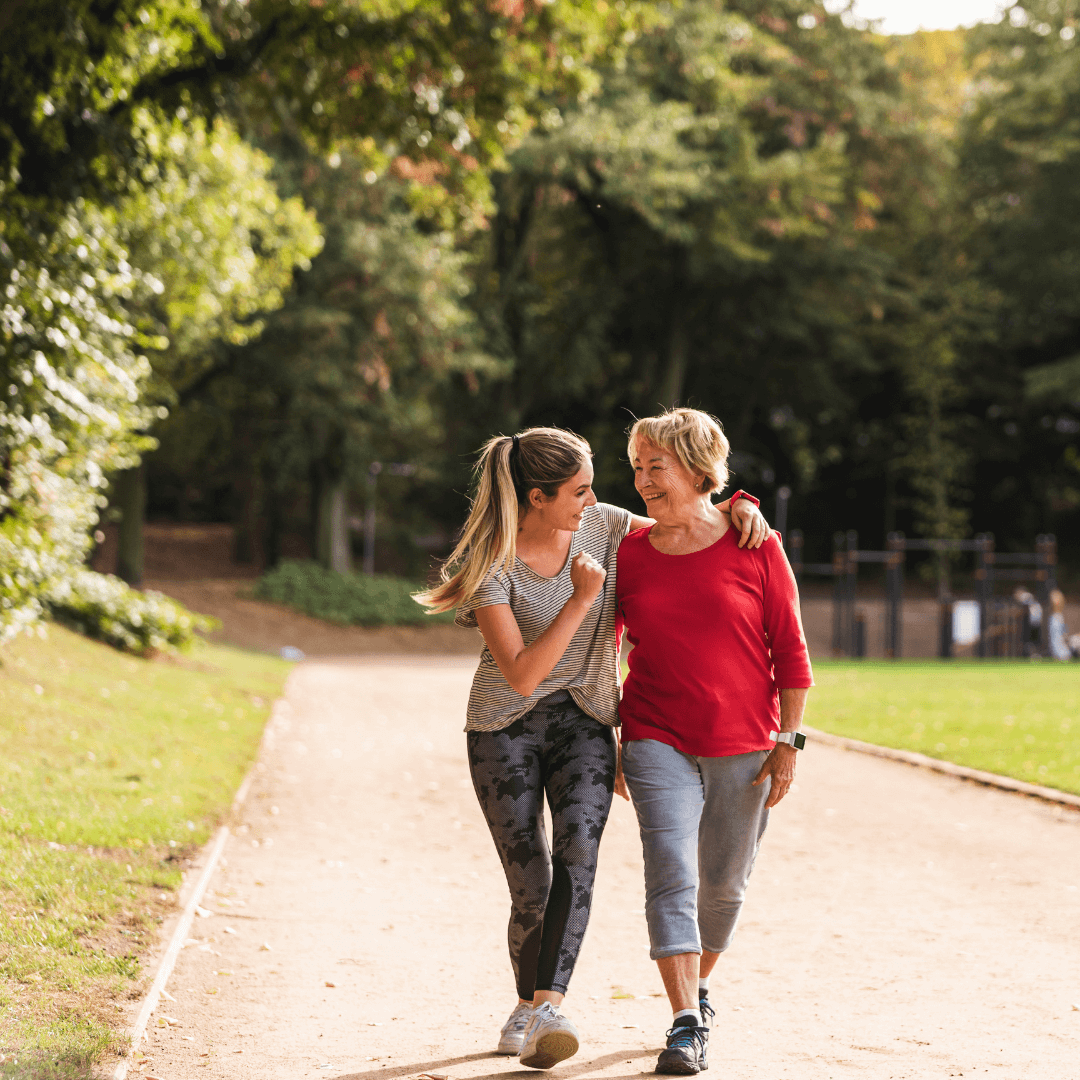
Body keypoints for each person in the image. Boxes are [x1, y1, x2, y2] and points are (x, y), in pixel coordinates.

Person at [414, 427, 769, 1070]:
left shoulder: (605, 524)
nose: (595, 497)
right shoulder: (491, 564)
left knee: (579, 847)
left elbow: (687, 517)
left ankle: (549, 1006)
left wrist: (741, 501)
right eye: (578, 489)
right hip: (505, 727)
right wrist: (581, 600)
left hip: (586, 723)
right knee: (532, 884)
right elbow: (521, 674)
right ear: (538, 496)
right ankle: (527, 1004)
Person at [615, 408, 813, 1075]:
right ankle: (683, 1022)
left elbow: (790, 648)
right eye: (637, 467)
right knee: (670, 869)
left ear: (698, 471)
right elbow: (603, 644)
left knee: (724, 887)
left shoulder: (755, 542)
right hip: (653, 733)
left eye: (656, 466)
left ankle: (698, 991)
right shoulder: (629, 551)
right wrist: (610, 731)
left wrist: (790, 739)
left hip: (743, 740)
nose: (642, 480)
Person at [1048, 589, 1076, 661]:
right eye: (1052, 598)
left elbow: (1067, 632)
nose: (1054, 600)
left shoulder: (1065, 614)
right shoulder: (1050, 616)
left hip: (1064, 648)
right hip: (1054, 648)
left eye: (1056, 598)